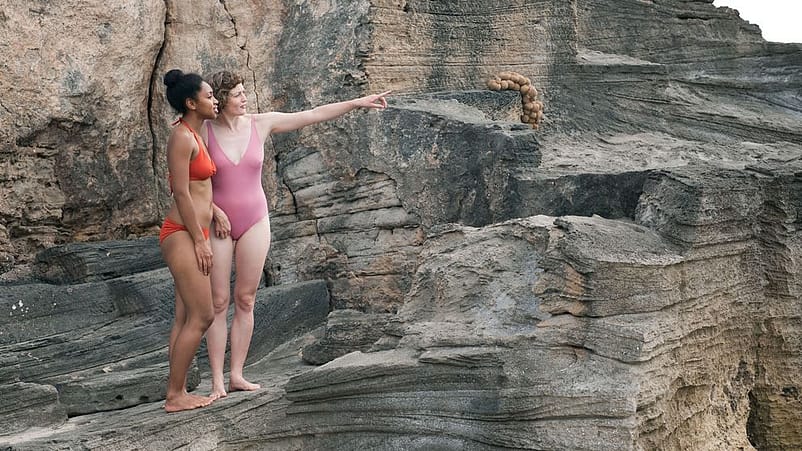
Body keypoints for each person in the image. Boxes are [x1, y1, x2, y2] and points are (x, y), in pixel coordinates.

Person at [203, 70, 390, 399]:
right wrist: (212, 211)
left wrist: (357, 103)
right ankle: (217, 380)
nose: (245, 98)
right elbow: (186, 182)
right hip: (218, 224)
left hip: (255, 220)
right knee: (218, 302)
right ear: (221, 99)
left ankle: (236, 375)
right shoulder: (203, 131)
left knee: (245, 299)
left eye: (245, 92)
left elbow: (313, 115)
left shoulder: (260, 124)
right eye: (238, 94)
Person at [159, 69, 220, 412]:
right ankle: (175, 395)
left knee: (184, 318)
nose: (215, 101)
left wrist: (217, 212)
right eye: (209, 96)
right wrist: (200, 240)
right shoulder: (182, 137)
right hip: (183, 234)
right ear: (190, 103)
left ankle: (177, 389)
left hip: (195, 232)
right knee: (203, 315)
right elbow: (181, 193)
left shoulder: (196, 134)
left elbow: (200, 189)